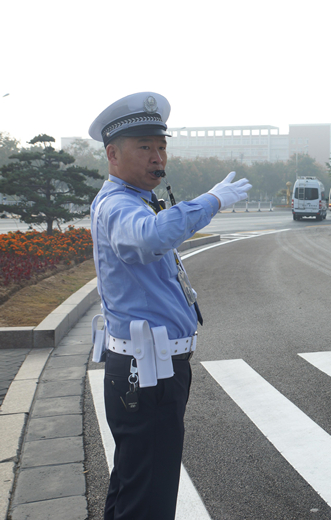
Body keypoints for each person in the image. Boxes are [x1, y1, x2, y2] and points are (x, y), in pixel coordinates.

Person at [88, 92, 251, 519]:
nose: (157, 156)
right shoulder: (119, 205)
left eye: (161, 146)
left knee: (135, 482)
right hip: (148, 370)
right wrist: (212, 200)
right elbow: (150, 237)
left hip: (153, 366)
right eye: (144, 147)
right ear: (113, 154)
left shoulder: (135, 199)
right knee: (150, 494)